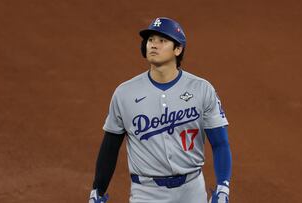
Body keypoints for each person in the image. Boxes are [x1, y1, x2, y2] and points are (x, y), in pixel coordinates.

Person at [88, 17, 232, 203]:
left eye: (162, 41)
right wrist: (97, 191)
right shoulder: (125, 93)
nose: (153, 45)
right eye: (150, 40)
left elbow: (220, 143)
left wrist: (223, 186)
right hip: (146, 193)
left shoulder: (201, 89)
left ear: (178, 49)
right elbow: (110, 146)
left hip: (192, 190)